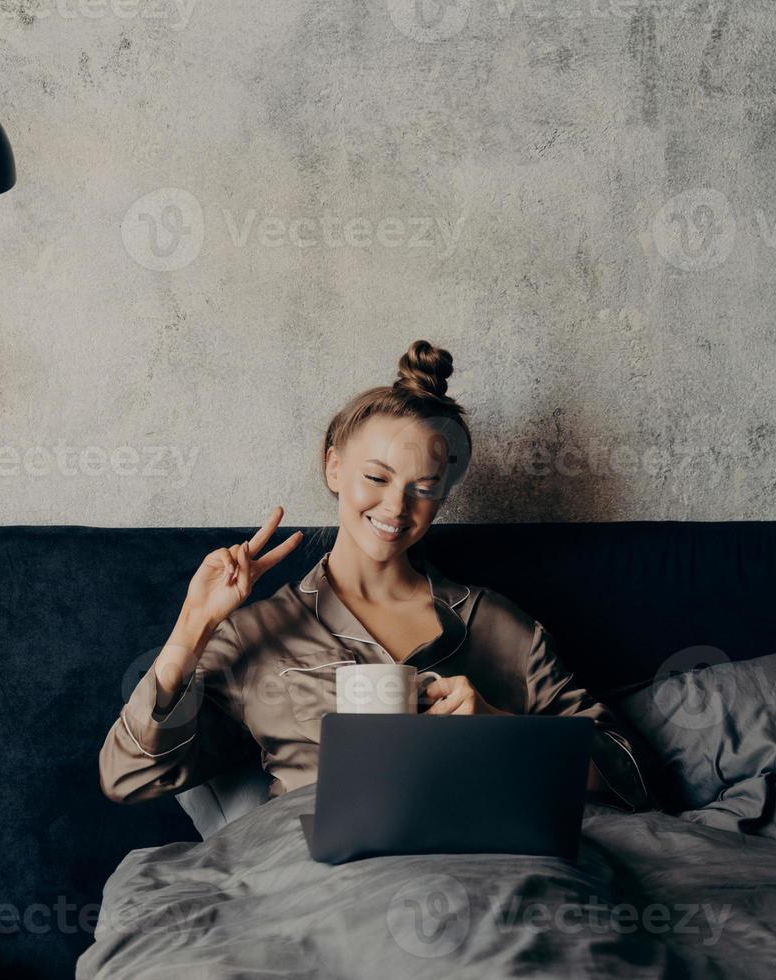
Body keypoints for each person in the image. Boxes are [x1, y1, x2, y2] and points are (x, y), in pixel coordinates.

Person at [99, 340, 652, 811]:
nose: (395, 506)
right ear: (334, 466)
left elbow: (629, 781)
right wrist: (193, 628)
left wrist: (502, 728)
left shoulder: (499, 628)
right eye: (377, 477)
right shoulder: (257, 635)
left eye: (424, 487)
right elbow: (128, 777)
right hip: (322, 882)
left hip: (479, 867)